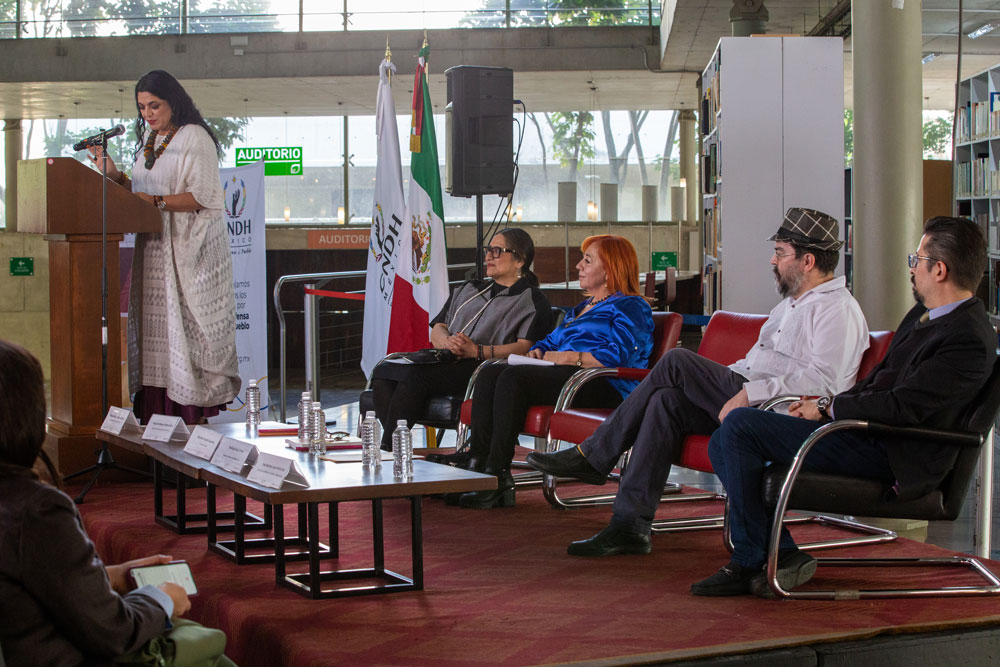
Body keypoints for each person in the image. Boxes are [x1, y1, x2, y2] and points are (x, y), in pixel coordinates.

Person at [526, 208, 869, 555]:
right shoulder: (788, 306)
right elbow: (754, 363)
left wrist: (749, 391)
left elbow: (826, 381)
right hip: (746, 393)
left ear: (807, 260)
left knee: (676, 360)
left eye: (780, 253)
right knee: (665, 403)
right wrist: (727, 382)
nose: (772, 261)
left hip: (774, 410)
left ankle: (595, 454)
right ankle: (629, 525)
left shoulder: (836, 309)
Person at [692, 216, 995, 598]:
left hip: (893, 450)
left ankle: (751, 558)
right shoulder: (925, 318)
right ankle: (779, 551)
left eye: (915, 260)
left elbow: (903, 408)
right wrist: (824, 406)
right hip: (867, 431)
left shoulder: (966, 338)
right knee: (728, 435)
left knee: (738, 428)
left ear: (939, 269)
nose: (912, 268)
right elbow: (879, 385)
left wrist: (826, 407)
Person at [0, 340, 234, 665]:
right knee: (205, 654)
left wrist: (108, 576)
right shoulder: (36, 510)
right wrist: (160, 599)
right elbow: (113, 632)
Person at [456, 234, 655, 509]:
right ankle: (477, 465)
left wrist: (567, 358)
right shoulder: (581, 308)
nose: (578, 266)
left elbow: (619, 355)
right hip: (566, 377)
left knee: (513, 378)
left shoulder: (632, 306)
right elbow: (549, 341)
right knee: (492, 371)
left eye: (587, 260)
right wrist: (537, 352)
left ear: (610, 269)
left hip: (604, 384)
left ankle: (498, 476)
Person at [88, 69, 240, 424]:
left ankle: (189, 419)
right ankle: (161, 428)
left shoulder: (194, 137)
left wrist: (152, 200)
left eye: (154, 105)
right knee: (161, 337)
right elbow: (142, 191)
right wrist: (116, 177)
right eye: (142, 108)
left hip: (189, 250)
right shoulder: (150, 144)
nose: (148, 114)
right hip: (155, 250)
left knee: (188, 335)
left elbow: (204, 196)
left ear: (174, 101)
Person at [370, 227, 553, 450]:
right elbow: (438, 326)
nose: (488, 257)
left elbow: (526, 346)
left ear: (519, 260)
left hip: (484, 369)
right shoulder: (468, 289)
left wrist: (476, 350)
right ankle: (399, 446)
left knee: (414, 376)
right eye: (488, 250)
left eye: (497, 251)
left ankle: (388, 450)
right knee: (383, 372)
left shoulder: (531, 299)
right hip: (444, 359)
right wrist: (447, 342)